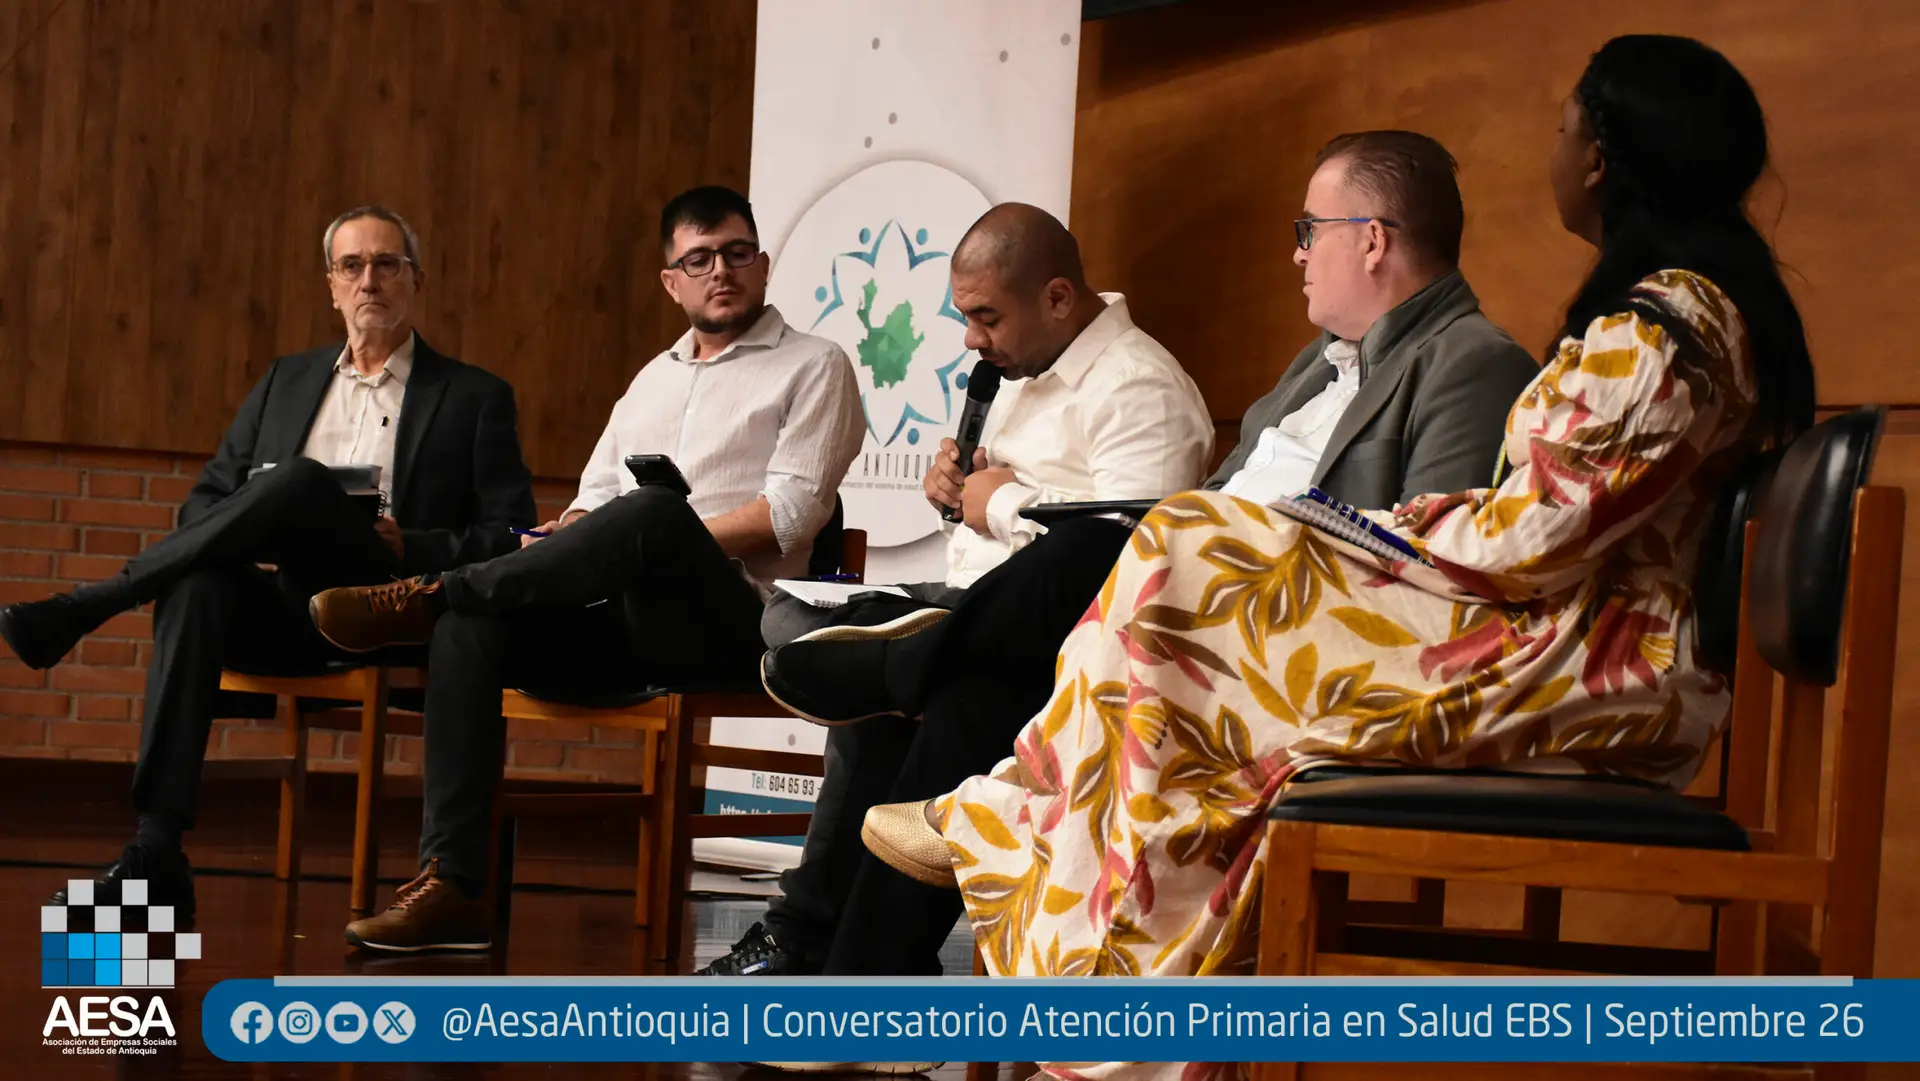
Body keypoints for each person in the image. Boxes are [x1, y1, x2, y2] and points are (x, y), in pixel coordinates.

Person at [860, 33, 1816, 1081]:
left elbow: (1533, 534)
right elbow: (1540, 520)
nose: (1552, 150)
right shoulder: (1679, 316)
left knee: (1183, 561)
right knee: (1186, 559)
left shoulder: (1664, 327)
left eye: (1562, 129)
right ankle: (1055, 876)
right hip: (1560, 638)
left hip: (1587, 668)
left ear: (1601, 157)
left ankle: (1056, 888)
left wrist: (1350, 530)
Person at [706, 133, 1541, 981]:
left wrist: (1212, 541)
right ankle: (863, 978)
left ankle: (904, 661)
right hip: (1184, 615)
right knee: (979, 688)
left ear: (1371, 239)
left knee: (1100, 542)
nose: (1297, 254)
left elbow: (1426, 571)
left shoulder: (1473, 362)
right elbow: (1211, 497)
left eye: (1308, 230)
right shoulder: (1317, 368)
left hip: (1280, 645)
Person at [305, 185, 867, 952]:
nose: (721, 270)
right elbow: (590, 499)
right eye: (699, 259)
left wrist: (654, 534)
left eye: (737, 253)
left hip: (736, 624)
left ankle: (430, 592)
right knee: (471, 629)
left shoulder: (815, 365)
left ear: (763, 265)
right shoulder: (652, 377)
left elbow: (793, 514)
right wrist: (568, 535)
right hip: (622, 621)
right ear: (671, 281)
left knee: (655, 511)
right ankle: (456, 886)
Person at [704, 202, 1216, 979]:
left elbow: (1130, 557)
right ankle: (820, 937)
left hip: (1070, 646)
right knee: (796, 618)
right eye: (965, 317)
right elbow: (986, 511)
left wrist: (1003, 504)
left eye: (986, 317)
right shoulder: (1014, 370)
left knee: (920, 696)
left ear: (1057, 297)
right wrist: (954, 491)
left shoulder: (1142, 390)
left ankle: (833, 950)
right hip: (968, 601)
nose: (972, 339)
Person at [0, 206, 537, 918]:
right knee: (196, 585)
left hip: (389, 609)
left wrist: (410, 543)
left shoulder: (473, 397)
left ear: (416, 279)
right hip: (291, 608)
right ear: (331, 286)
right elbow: (203, 504)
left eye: (386, 264)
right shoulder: (288, 380)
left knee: (301, 480)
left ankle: (92, 603)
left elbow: (511, 534)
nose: (369, 280)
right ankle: (157, 847)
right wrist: (257, 524)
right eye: (352, 266)